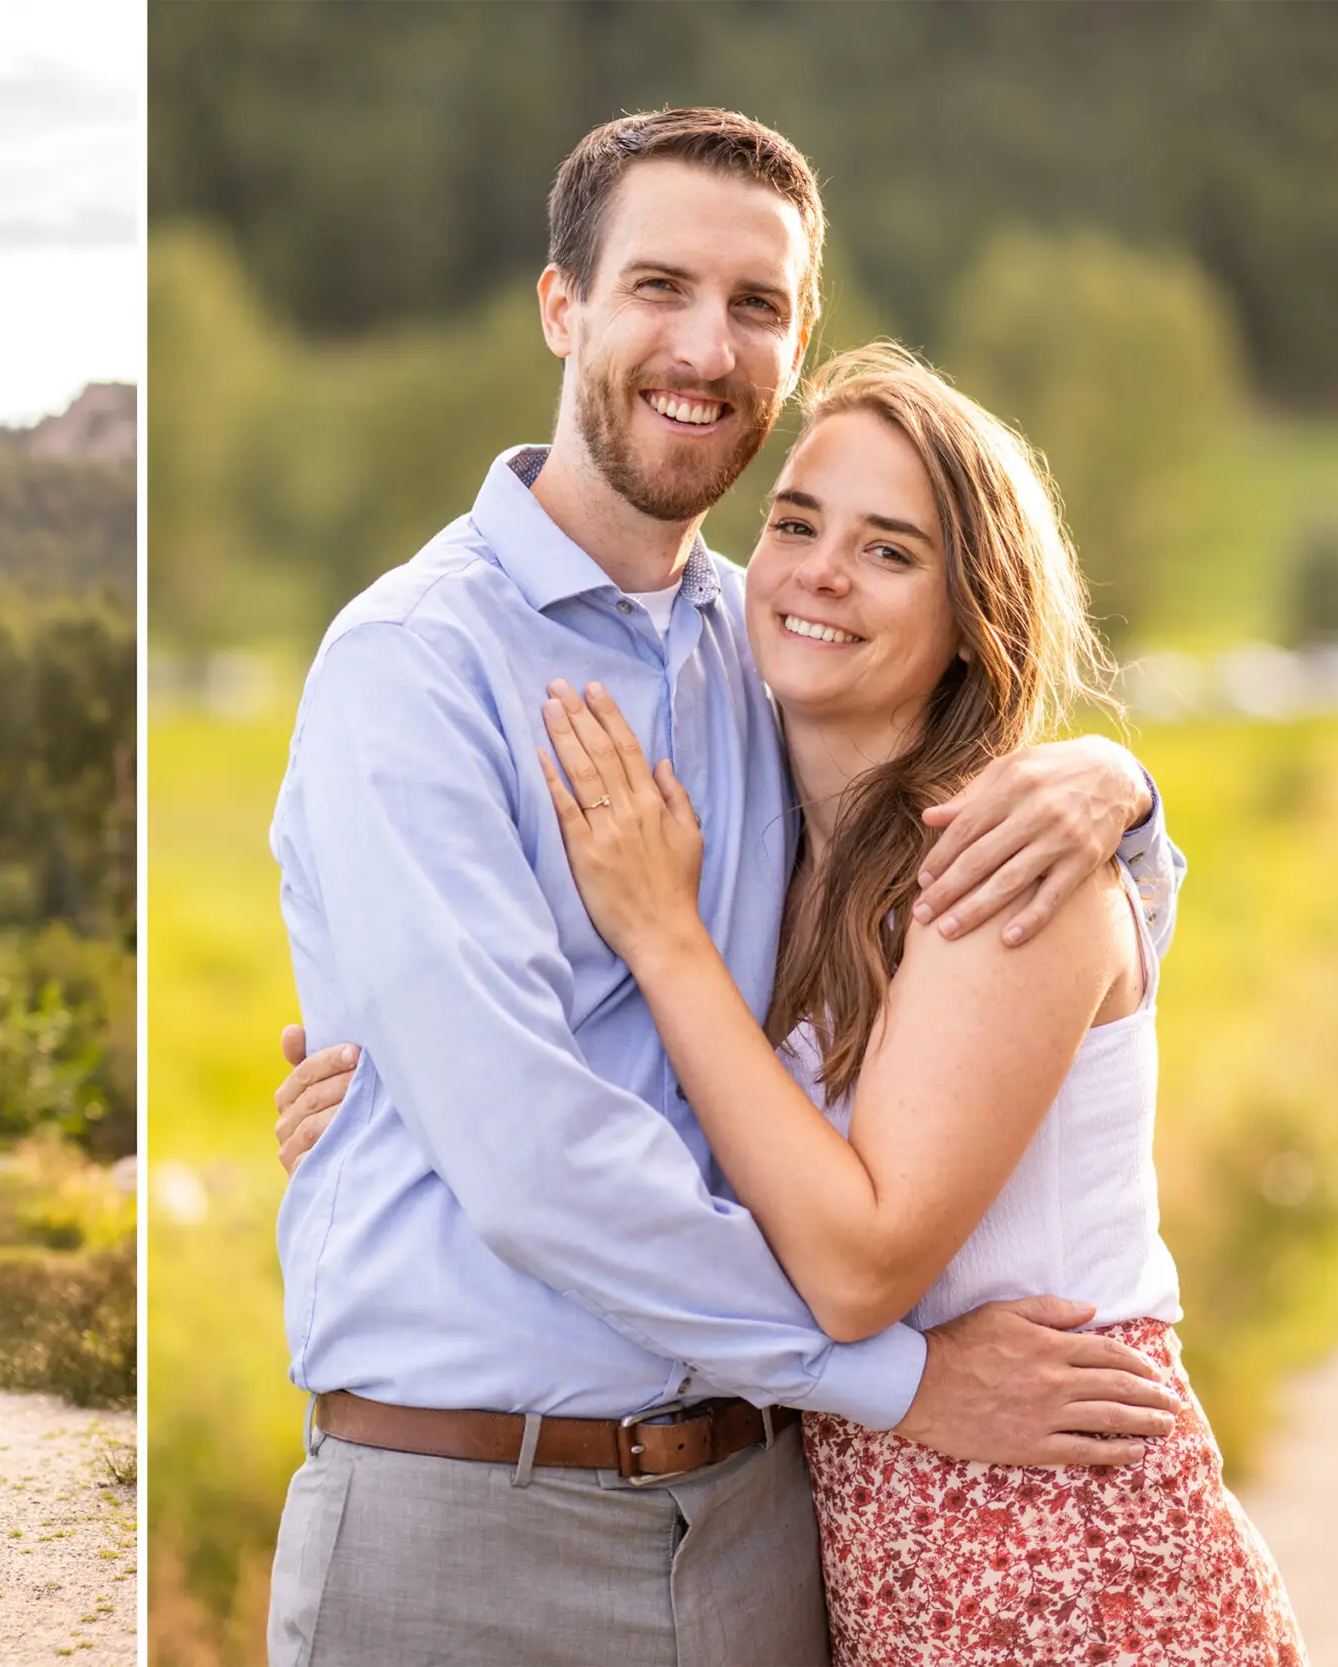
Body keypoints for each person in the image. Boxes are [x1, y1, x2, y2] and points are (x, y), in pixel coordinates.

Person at [255, 110, 1188, 1667]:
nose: (705, 344)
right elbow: (531, 1156)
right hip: (472, 1510)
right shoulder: (416, 665)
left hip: (768, 1521)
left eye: (755, 305)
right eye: (658, 287)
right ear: (563, 306)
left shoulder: (773, 645)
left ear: (796, 336)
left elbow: (974, 855)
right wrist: (900, 1379)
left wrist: (1122, 798)